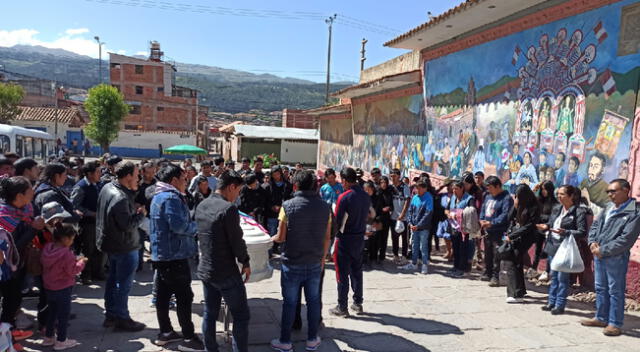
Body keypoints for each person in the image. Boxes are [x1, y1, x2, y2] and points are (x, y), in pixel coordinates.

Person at [270, 170, 331, 352]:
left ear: (295, 186)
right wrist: (322, 259)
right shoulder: (325, 207)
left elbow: (281, 237)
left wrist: (270, 238)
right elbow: (327, 237)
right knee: (313, 302)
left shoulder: (287, 206)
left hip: (292, 262)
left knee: (289, 303)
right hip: (314, 262)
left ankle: (285, 341)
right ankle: (312, 339)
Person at [149, 163, 204, 350]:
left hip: (163, 254)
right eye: (183, 179)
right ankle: (189, 338)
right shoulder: (170, 197)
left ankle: (165, 332)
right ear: (173, 180)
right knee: (184, 297)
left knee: (163, 296)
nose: (186, 182)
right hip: (174, 255)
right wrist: (199, 227)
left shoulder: (159, 195)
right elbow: (179, 226)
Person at [195, 170, 250, 352]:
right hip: (225, 272)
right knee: (241, 316)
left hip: (206, 269)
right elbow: (237, 242)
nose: (237, 195)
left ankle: (210, 348)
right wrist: (246, 262)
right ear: (231, 187)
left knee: (209, 313)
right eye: (238, 191)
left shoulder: (202, 205)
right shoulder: (229, 209)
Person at [581, 179, 640, 336]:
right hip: (599, 254)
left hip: (616, 257)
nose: (609, 194)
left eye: (613, 191)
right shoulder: (608, 207)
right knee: (600, 288)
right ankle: (601, 317)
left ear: (626, 190)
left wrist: (604, 250)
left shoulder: (634, 212)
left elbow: (627, 238)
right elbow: (594, 225)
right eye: (608, 191)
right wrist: (592, 242)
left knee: (615, 290)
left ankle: (615, 323)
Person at [96, 161, 147, 332]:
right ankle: (122, 318)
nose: (139, 178)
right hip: (124, 246)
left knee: (113, 281)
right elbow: (126, 225)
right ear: (127, 177)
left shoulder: (108, 187)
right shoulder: (120, 197)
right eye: (136, 175)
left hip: (112, 244)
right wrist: (141, 215)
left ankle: (111, 315)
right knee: (122, 284)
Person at [0, 176, 44, 349]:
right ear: (19, 196)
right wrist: (34, 229)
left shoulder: (24, 210)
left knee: (13, 300)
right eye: (30, 190)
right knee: (10, 299)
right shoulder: (4, 217)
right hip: (5, 269)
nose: (34, 192)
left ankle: (8, 336)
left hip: (16, 267)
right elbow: (12, 247)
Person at [537, 185, 587, 315]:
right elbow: (551, 224)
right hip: (553, 246)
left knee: (562, 278)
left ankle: (560, 304)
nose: (559, 196)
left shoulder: (578, 212)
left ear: (571, 196)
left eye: (562, 194)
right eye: (558, 194)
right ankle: (551, 302)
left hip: (565, 248)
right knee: (553, 276)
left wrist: (567, 232)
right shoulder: (557, 209)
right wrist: (545, 226)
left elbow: (582, 232)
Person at [329, 167, 371, 317]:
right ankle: (358, 303)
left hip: (345, 239)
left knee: (342, 273)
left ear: (345, 180)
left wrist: (331, 237)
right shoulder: (366, 196)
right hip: (359, 238)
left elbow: (337, 222)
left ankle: (342, 307)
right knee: (357, 271)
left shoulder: (344, 197)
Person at [40, 223, 86, 350]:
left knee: (52, 313)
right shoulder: (66, 253)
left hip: (49, 287)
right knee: (63, 316)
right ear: (65, 239)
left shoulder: (47, 248)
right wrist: (81, 263)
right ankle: (61, 340)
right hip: (63, 288)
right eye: (72, 239)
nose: (72, 242)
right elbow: (72, 271)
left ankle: (48, 337)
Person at [503, 184, 540, 303]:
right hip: (516, 235)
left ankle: (515, 294)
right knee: (516, 262)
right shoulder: (519, 205)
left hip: (527, 237)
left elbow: (530, 226)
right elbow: (509, 218)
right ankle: (520, 291)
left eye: (518, 196)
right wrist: (515, 206)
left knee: (513, 262)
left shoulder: (534, 206)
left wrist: (512, 236)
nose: (516, 198)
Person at [71, 161, 105, 284]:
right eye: (97, 172)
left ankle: (98, 272)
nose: (100, 174)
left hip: (99, 224)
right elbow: (75, 206)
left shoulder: (99, 185)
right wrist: (91, 213)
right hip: (87, 224)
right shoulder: (81, 187)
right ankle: (86, 275)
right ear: (89, 174)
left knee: (99, 249)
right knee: (87, 250)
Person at [479, 176, 514, 286]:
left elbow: (505, 215)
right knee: (488, 252)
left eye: (490, 187)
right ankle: (487, 272)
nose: (488, 190)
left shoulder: (506, 198)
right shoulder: (488, 196)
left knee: (498, 253)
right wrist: (482, 220)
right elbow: (483, 210)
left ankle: (496, 276)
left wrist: (492, 223)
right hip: (488, 231)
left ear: (498, 186)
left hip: (501, 231)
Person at [400, 179, 433, 274]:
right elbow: (410, 211)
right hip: (413, 226)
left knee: (423, 246)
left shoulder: (428, 198)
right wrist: (410, 222)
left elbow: (428, 213)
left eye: (418, 188)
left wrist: (418, 225)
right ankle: (414, 263)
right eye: (416, 188)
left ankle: (424, 264)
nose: (416, 190)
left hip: (423, 227)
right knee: (414, 246)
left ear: (424, 188)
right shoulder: (415, 197)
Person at [529, 181, 557, 281]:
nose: (544, 191)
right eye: (542, 189)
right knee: (537, 250)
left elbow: (553, 217)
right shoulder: (538, 200)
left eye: (545, 189)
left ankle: (547, 271)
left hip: (548, 230)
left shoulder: (554, 202)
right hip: (538, 229)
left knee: (547, 251)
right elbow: (527, 200)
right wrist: (534, 189)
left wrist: (542, 218)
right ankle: (533, 268)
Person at [263, 166, 293, 246]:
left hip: (284, 213)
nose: (276, 176)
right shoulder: (268, 186)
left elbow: (290, 198)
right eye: (274, 174)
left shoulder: (287, 185)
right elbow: (265, 200)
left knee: (283, 233)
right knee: (272, 232)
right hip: (272, 213)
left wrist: (282, 207)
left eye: (278, 174)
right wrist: (272, 206)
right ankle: (270, 251)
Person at [389, 168, 411, 264]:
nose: (392, 178)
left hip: (404, 217)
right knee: (394, 237)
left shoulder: (404, 187)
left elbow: (407, 200)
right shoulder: (391, 187)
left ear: (399, 176)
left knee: (404, 237)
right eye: (391, 176)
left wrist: (402, 214)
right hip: (393, 217)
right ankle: (395, 255)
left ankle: (404, 256)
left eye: (394, 176)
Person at [373, 176, 393, 264]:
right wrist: (381, 210)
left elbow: (392, 205)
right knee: (377, 238)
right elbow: (374, 206)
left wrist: (389, 208)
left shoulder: (389, 193)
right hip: (378, 218)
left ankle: (382, 257)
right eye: (382, 182)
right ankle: (374, 256)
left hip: (386, 219)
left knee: (384, 238)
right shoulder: (376, 193)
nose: (384, 184)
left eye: (385, 182)